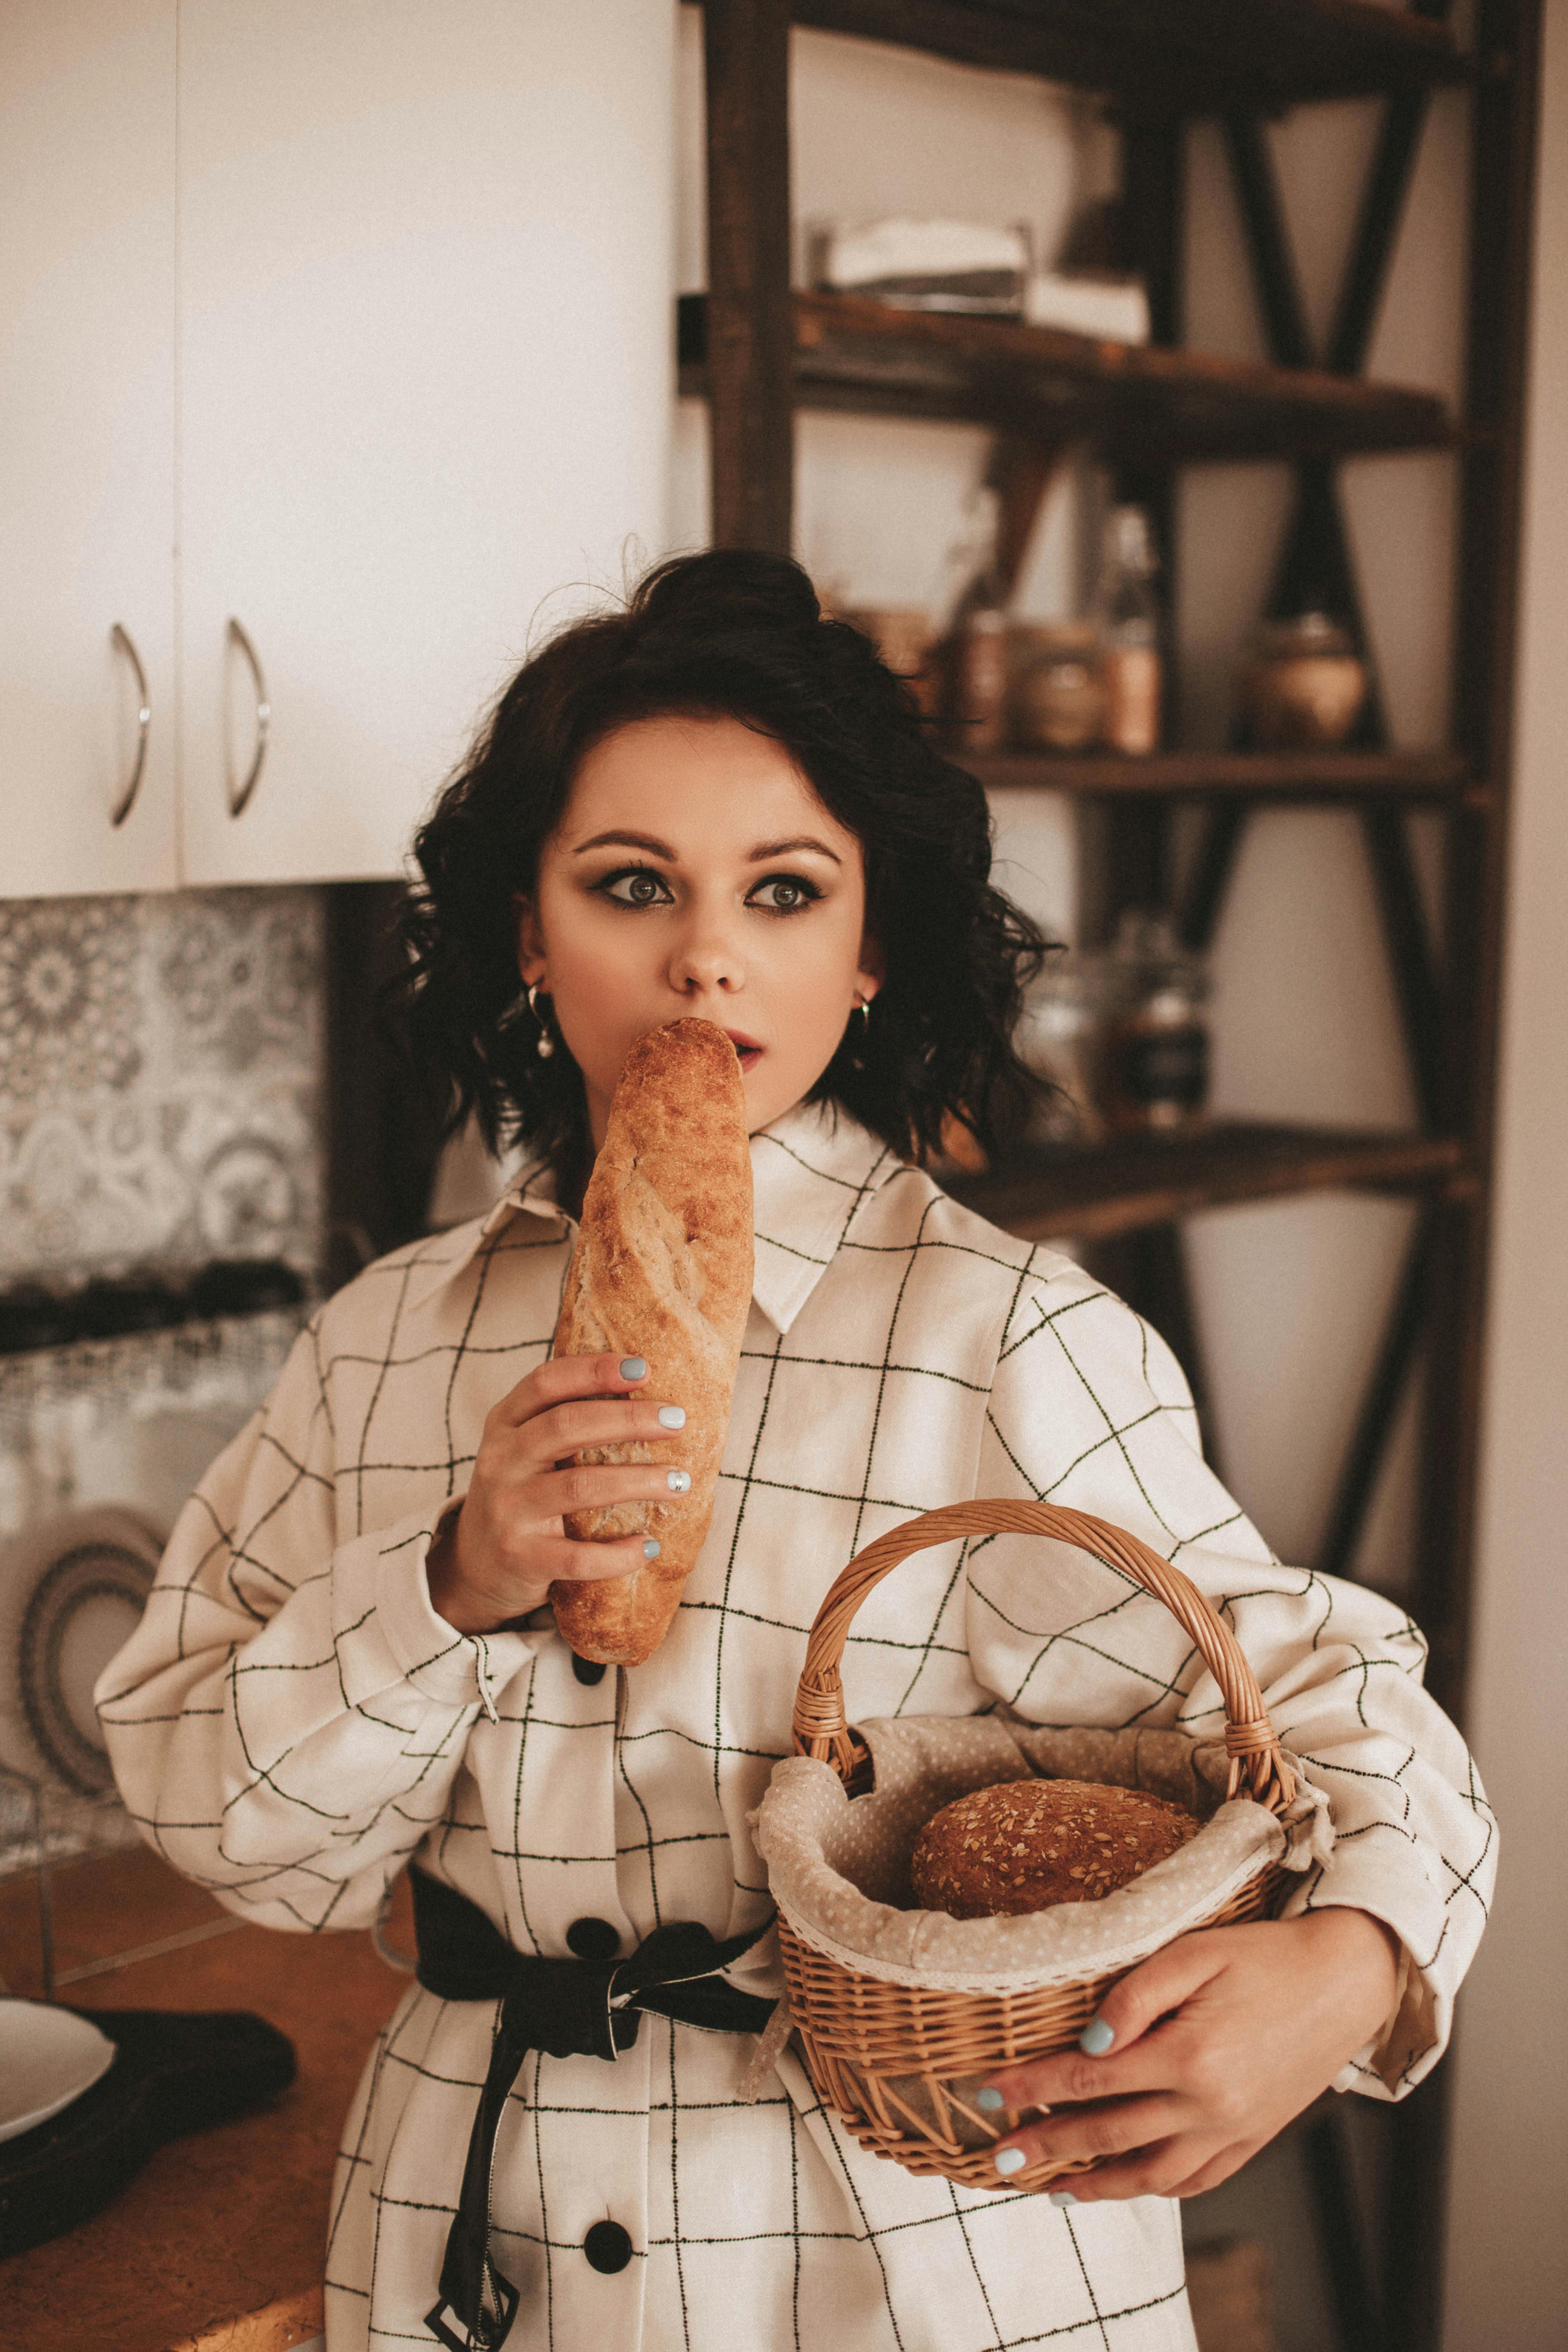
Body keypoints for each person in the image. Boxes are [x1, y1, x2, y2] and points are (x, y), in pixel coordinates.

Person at [98, 551, 1494, 2352]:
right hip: (464, 2235)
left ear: (866, 951)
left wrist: (1352, 1960)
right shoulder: (387, 1344)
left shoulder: (1000, 1342)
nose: (702, 954)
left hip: (890, 2257)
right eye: (626, 887)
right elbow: (225, 1833)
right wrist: (448, 1588)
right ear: (528, 934)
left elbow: (1343, 1705)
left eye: (781, 891)